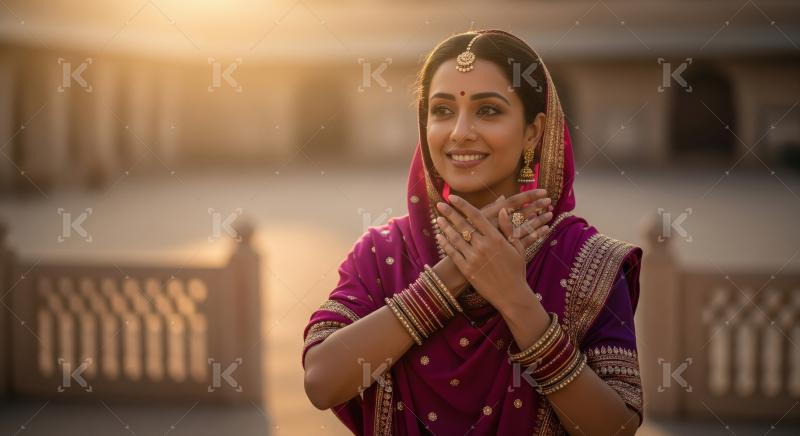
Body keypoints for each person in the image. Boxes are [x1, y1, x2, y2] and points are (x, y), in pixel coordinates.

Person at [302, 29, 643, 435]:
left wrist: (516, 300)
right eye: (442, 111)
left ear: (533, 131)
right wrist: (458, 270)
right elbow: (322, 383)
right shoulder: (382, 252)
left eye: (488, 111)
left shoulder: (587, 260)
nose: (460, 132)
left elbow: (615, 428)